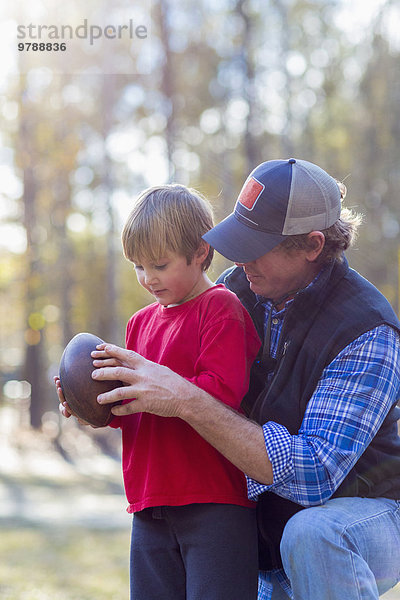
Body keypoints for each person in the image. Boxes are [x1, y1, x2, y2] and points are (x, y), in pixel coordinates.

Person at [88, 159, 400, 600]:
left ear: (312, 245)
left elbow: (313, 476)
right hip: (263, 514)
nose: (238, 259)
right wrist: (104, 397)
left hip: (368, 515)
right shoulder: (236, 290)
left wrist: (185, 397)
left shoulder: (366, 330)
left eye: (255, 246)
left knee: (313, 534)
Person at [56, 184, 261, 600]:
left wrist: (163, 390)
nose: (148, 279)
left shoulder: (222, 309)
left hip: (214, 502)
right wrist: (94, 405)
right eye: (138, 267)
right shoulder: (139, 324)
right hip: (148, 502)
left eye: (160, 265)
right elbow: (137, 408)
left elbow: (221, 396)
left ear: (201, 252)